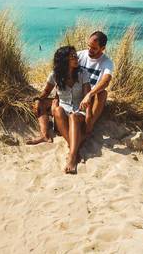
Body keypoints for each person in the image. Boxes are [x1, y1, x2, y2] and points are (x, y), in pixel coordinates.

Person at [27, 46, 91, 174]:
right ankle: (49, 137)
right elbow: (46, 92)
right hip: (63, 112)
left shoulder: (83, 73)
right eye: (72, 56)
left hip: (79, 111)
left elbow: (87, 97)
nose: (76, 58)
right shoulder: (54, 75)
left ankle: (72, 156)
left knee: (73, 116)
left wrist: (89, 117)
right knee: (56, 109)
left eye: (76, 56)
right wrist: (38, 99)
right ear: (64, 59)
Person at [78, 31, 114, 134]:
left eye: (94, 48)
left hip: (91, 96)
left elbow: (106, 80)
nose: (90, 50)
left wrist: (90, 94)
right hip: (76, 92)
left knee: (102, 93)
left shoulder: (107, 62)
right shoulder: (79, 55)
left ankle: (89, 124)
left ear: (102, 48)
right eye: (89, 46)